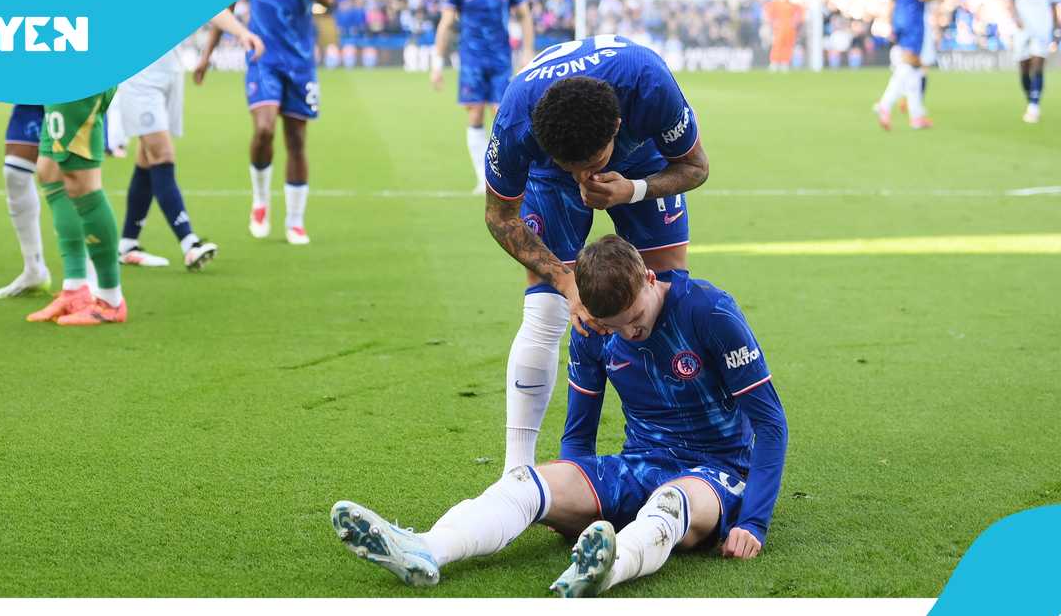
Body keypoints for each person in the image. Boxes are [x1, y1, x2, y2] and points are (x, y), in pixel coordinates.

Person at [330, 236, 787, 597]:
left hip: (718, 471)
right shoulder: (592, 331)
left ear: (650, 278)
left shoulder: (709, 311)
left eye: (635, 319)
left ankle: (606, 570)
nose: (629, 332)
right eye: (615, 327)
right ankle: (425, 548)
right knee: (525, 484)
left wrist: (753, 523)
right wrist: (575, 497)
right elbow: (579, 432)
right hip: (640, 462)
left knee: (669, 505)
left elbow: (770, 423)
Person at [483, 35, 709, 472]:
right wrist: (566, 282)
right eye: (577, 168)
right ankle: (515, 471)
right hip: (548, 177)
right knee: (547, 309)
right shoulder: (517, 119)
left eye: (594, 161)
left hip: (642, 164)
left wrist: (633, 190)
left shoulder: (649, 83)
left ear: (616, 127)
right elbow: (499, 216)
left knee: (663, 297)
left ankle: (680, 445)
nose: (586, 176)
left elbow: (696, 168)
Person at [117, 9, 264, 270]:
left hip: (170, 71)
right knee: (162, 154)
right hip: (138, 76)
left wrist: (242, 32)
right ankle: (189, 244)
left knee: (147, 157)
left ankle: (128, 244)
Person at [195, 0, 336, 245]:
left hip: (300, 61)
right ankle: (261, 200)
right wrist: (207, 56)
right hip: (263, 59)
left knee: (296, 140)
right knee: (264, 130)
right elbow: (225, 8)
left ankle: (295, 220)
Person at [26, 88, 128, 326]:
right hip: (57, 68)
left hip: (78, 68)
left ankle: (110, 300)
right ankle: (75, 290)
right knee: (49, 172)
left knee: (81, 181)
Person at [431, 0, 535, 194]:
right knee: (475, 114)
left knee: (503, 116)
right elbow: (446, 23)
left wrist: (528, 52)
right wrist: (437, 63)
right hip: (471, 61)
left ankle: (508, 176)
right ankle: (483, 178)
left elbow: (524, 15)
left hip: (501, 60)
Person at [0, 104, 51, 298]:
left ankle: (88, 281)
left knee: (74, 180)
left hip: (71, 89)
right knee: (15, 174)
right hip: (32, 94)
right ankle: (34, 269)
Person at [875, 0, 934, 130]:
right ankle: (885, 104)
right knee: (910, 63)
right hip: (913, 16)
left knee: (915, 68)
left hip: (900, 13)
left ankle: (916, 116)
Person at [1004, 0, 1060, 123]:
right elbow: (1010, 2)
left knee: (1038, 63)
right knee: (1024, 69)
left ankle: (1034, 105)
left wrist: (1057, 29)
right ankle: (1031, 100)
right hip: (1022, 29)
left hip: (1042, 28)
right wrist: (1016, 19)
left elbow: (1053, 5)